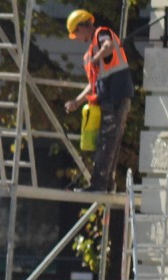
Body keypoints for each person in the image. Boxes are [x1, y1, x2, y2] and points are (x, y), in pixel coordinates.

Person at [63, 9, 135, 193]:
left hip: (117, 96)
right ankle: (106, 183)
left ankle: (99, 185)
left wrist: (96, 57)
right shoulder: (90, 54)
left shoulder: (101, 33)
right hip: (111, 99)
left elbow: (109, 46)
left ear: (81, 27)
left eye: (76, 33)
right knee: (109, 141)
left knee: (107, 141)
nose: (77, 38)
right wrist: (76, 102)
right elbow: (92, 84)